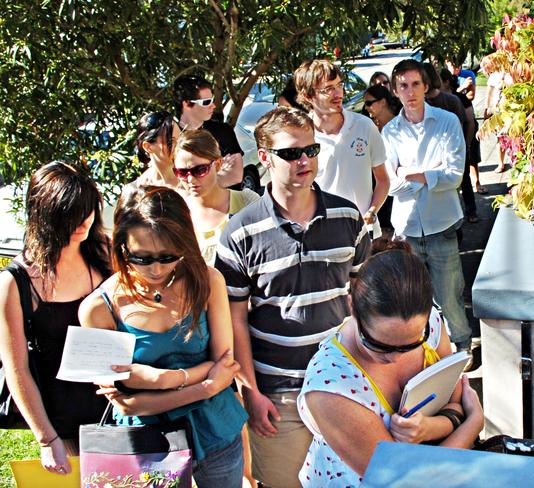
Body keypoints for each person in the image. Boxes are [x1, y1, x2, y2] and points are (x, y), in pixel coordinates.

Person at [215, 106, 371, 487]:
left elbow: (363, 301)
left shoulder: (347, 218)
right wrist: (250, 394)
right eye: (291, 153)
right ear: (265, 158)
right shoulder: (239, 233)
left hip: (343, 386)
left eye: (311, 150)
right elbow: (234, 321)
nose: (304, 161)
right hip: (278, 395)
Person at [78, 186, 248, 488]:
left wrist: (148, 378)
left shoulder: (207, 280)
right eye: (141, 258)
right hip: (149, 444)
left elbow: (226, 362)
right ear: (121, 247)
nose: (156, 269)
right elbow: (127, 405)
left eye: (168, 255)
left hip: (217, 433)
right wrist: (203, 385)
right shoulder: (98, 308)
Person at [298, 242, 484, 486]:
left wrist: (434, 426)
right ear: (352, 306)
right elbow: (404, 481)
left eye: (410, 344)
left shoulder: (428, 325)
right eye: (379, 345)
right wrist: (472, 424)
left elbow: (455, 398)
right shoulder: (331, 386)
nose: (395, 357)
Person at [0, 162, 111, 475]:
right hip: (64, 422)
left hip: (119, 410)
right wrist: (46, 438)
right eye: (71, 215)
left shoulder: (105, 251)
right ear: (45, 217)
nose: (83, 223)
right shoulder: (16, 283)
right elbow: (16, 368)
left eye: (88, 211)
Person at [381, 59, 473, 356]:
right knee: (415, 298)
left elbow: (455, 176)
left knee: (449, 294)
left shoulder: (447, 122)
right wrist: (428, 174)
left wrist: (411, 173)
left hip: (441, 223)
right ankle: (427, 349)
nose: (410, 91)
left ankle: (461, 343)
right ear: (395, 90)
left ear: (426, 86)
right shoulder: (389, 132)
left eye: (415, 84)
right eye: (403, 86)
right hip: (406, 227)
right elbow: (390, 185)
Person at [294, 59, 390, 239]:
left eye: (339, 85)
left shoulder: (364, 126)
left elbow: (383, 180)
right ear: (308, 96)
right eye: (328, 89)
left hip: (363, 234)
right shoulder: (300, 136)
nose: (338, 93)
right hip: (322, 237)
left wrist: (372, 211)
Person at [172, 129, 259, 265]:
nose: (191, 179)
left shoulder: (247, 202)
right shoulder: (177, 213)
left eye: (200, 170)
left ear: (217, 164)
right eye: (182, 172)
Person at [423, 64, 480, 223]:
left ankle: (470, 211)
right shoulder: (420, 103)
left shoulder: (451, 100)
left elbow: (466, 123)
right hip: (433, 156)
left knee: (464, 180)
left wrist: (465, 145)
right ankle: (455, 218)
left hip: (455, 149)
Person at [173, 74, 245, 187]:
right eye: (206, 102)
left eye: (212, 100)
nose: (213, 106)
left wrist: (191, 182)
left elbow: (235, 175)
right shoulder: (170, 135)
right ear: (186, 104)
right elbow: (169, 181)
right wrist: (216, 174)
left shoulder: (223, 131)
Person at [362, 84, 402, 236]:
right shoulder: (370, 128)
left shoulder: (399, 126)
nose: (366, 108)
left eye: (369, 103)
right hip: (378, 193)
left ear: (383, 102)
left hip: (398, 192)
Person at [132, 110, 182, 188]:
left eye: (181, 139)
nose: (179, 146)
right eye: (171, 141)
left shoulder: (195, 178)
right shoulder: (139, 189)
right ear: (148, 147)